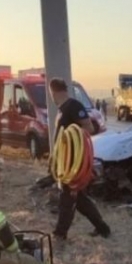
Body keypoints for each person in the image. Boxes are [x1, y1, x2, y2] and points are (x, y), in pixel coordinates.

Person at [48, 78, 111, 240]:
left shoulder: (73, 106)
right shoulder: (62, 109)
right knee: (80, 199)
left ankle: (60, 233)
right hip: (63, 160)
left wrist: (69, 140)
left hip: (72, 163)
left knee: (67, 197)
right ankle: (103, 228)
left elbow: (88, 128)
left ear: (53, 92)